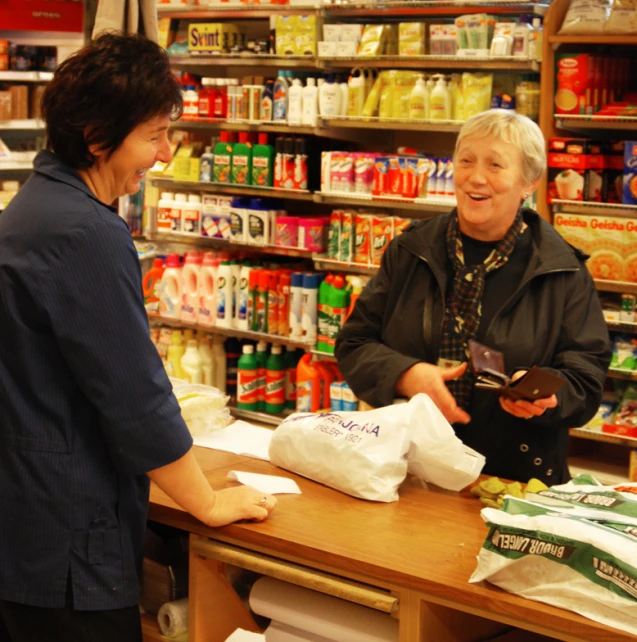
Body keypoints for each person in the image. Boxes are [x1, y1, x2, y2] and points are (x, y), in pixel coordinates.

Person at [0, 33, 276, 642]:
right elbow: (136, 401)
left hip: (25, 526)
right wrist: (206, 502)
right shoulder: (85, 233)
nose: (164, 153)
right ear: (98, 138)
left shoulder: (31, 210)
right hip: (68, 543)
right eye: (153, 136)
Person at [336, 109, 611, 486]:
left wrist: (547, 397)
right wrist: (405, 374)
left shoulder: (562, 271)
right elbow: (354, 343)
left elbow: (586, 378)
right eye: (466, 160)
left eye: (496, 165)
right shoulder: (411, 251)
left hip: (511, 480)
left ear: (528, 181)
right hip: (405, 471)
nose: (475, 177)